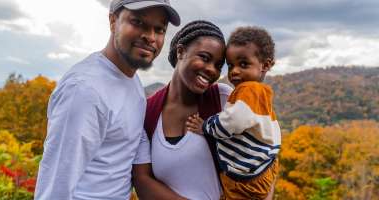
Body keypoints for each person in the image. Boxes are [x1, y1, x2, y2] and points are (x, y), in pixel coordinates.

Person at [34, 0, 181, 199]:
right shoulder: (84, 90)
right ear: (113, 21)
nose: (150, 37)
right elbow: (55, 188)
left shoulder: (132, 82)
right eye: (138, 23)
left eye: (160, 29)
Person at [132, 20, 232, 200]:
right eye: (204, 57)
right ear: (180, 51)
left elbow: (265, 152)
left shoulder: (223, 99)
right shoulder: (148, 111)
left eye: (218, 65)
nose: (212, 70)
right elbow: (141, 179)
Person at [186, 26, 280, 200]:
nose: (235, 71)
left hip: (246, 178)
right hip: (263, 167)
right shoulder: (261, 93)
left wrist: (205, 126)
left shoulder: (248, 90)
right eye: (230, 66)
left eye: (243, 64)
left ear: (265, 65)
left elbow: (232, 122)